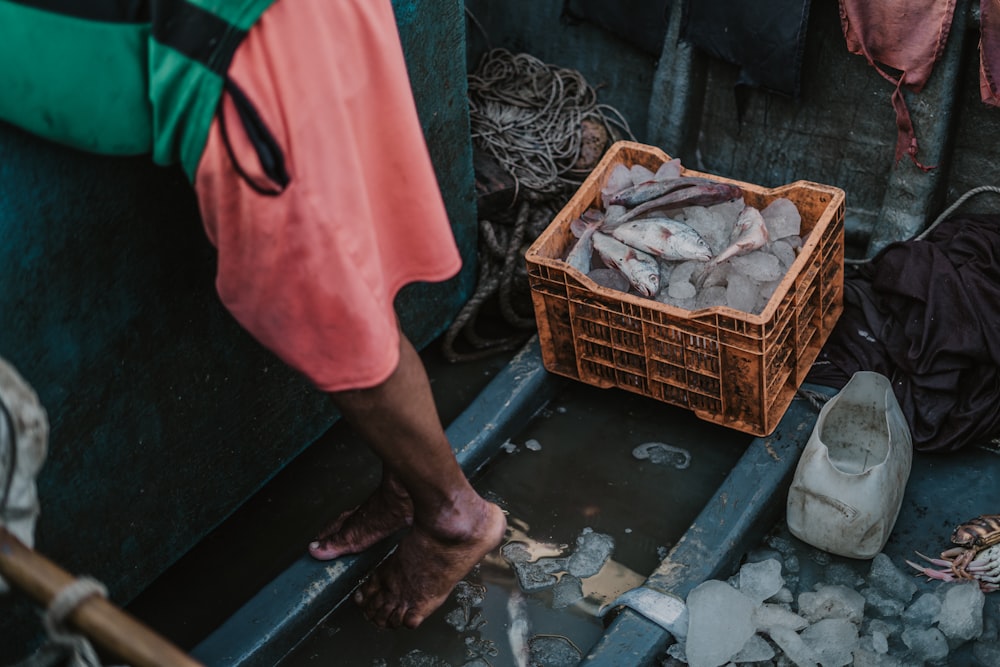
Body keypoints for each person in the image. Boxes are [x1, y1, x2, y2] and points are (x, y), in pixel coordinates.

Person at [0, 0, 506, 629]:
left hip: (240, 53)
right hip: (279, 29)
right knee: (351, 245)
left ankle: (453, 516)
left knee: (332, 316)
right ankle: (407, 476)